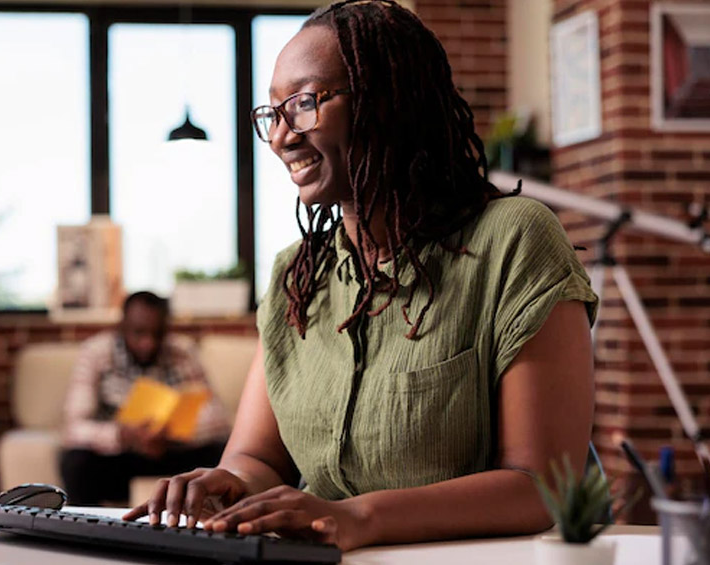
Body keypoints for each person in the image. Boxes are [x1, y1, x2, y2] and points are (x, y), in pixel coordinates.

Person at [124, 0, 599, 551]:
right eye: (272, 114)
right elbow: (258, 458)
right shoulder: (295, 277)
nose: (280, 136)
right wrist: (229, 485)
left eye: (303, 104)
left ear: (388, 103)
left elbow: (540, 486)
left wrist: (356, 517)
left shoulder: (514, 240)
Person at [60, 291, 231, 505]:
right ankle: (86, 532)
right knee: (75, 462)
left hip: (171, 450)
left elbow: (219, 419)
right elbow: (73, 427)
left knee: (225, 451)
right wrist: (125, 435)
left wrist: (169, 434)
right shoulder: (96, 352)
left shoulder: (182, 351)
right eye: (139, 333)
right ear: (122, 326)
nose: (148, 343)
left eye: (157, 334)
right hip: (120, 456)